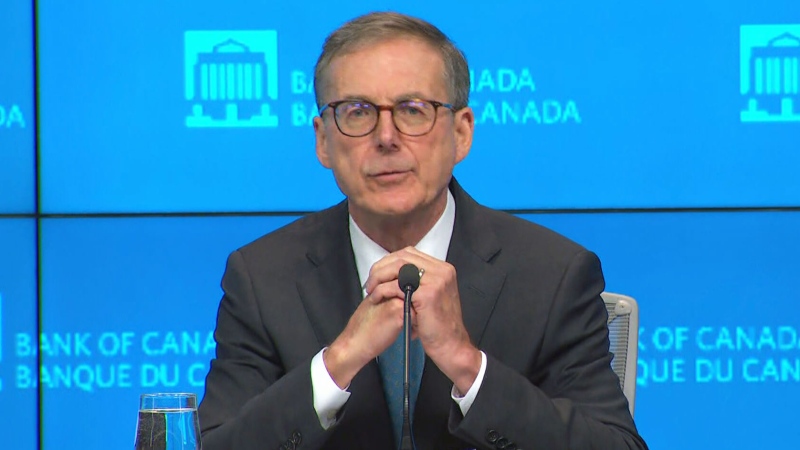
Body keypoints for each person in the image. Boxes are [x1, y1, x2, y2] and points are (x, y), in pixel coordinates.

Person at [198, 11, 648, 450]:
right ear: (323, 140)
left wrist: (468, 366)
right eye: (356, 112)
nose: (387, 136)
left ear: (462, 133)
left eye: (414, 110)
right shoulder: (261, 277)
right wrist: (336, 364)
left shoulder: (553, 274)